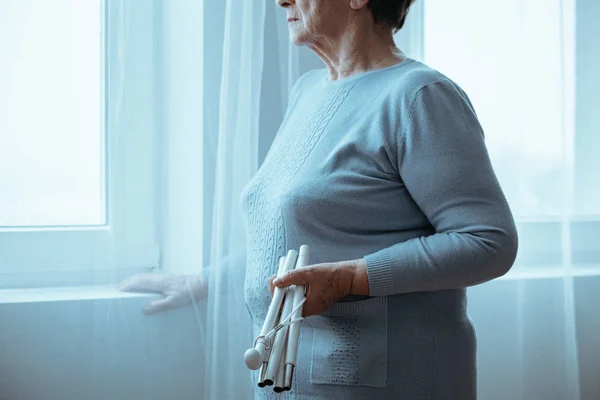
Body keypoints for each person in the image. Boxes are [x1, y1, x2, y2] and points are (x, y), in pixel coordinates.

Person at [118, 0, 519, 398]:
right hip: (284, 384)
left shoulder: (419, 97)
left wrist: (348, 280)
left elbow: (488, 241)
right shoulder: (308, 91)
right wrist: (206, 280)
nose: (281, 1)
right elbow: (297, 233)